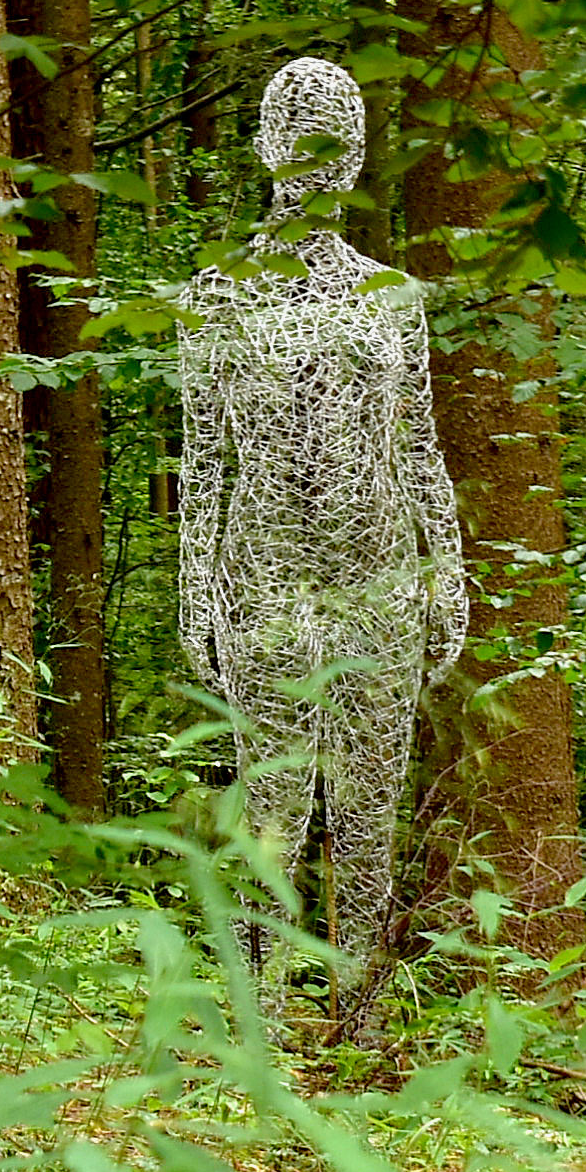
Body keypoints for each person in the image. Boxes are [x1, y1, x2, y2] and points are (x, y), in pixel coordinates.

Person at [174, 58, 468, 1039]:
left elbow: (421, 446)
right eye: (297, 136)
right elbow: (201, 465)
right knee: (274, 805)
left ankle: (363, 1024)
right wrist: (193, 591)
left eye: (334, 138)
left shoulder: (392, 297)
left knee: (368, 811)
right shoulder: (214, 295)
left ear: (355, 158)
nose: (315, 159)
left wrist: (447, 576)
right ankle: (256, 1028)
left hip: (377, 572)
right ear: (264, 149)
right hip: (263, 576)